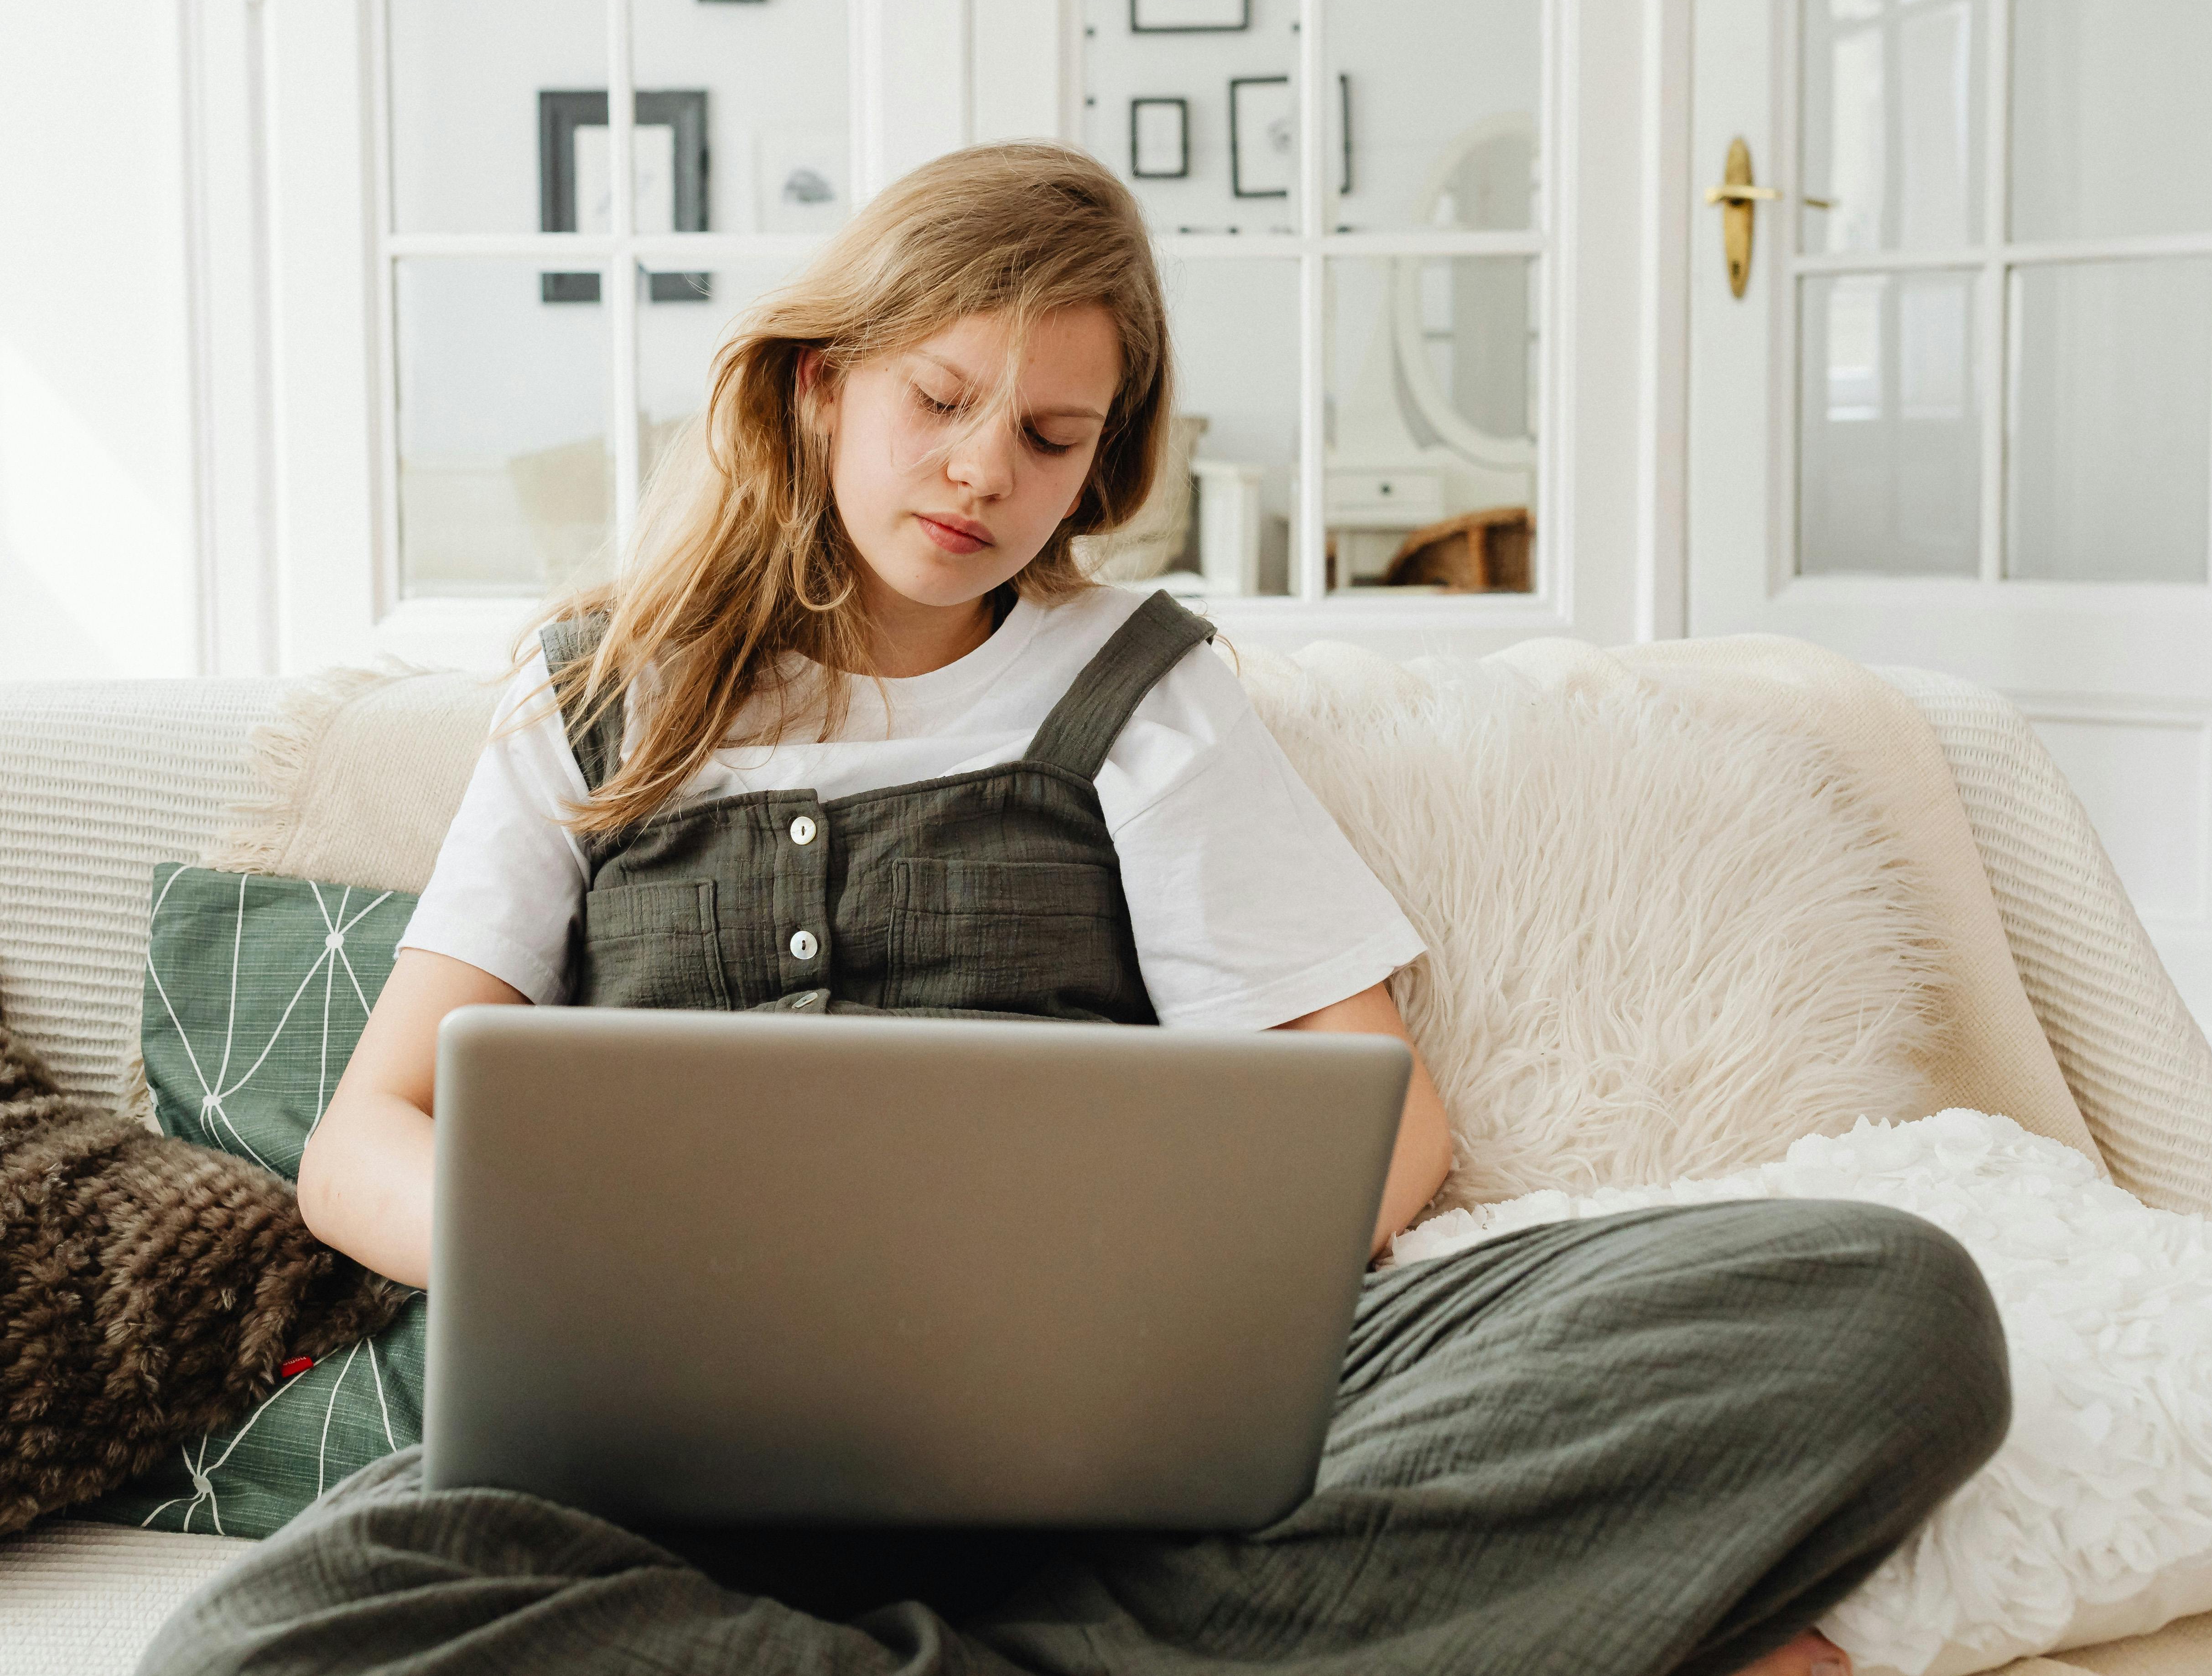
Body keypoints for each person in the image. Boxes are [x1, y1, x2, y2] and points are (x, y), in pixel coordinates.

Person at [142, 144, 2008, 1676]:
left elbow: (1380, 1107)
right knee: (254, 1644)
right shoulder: (590, 698)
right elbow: (363, 1141)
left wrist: (1150, 1332)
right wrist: (586, 1285)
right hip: (667, 1453)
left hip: (1099, 1435)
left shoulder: (1133, 686)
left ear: (1098, 463)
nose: (980, 473)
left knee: (1884, 1307)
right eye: (939, 401)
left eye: (1048, 437)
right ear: (819, 384)